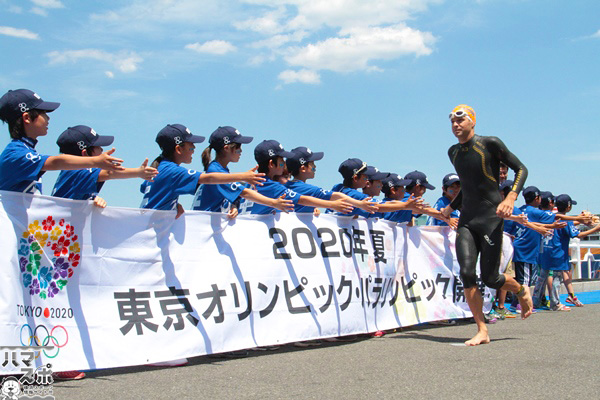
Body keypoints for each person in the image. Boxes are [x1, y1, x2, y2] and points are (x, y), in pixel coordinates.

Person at [441, 104, 534, 346]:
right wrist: (451, 207)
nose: (456, 125)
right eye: (452, 121)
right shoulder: (453, 152)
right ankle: (481, 329)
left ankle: (521, 290)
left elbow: (521, 169)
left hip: (491, 217)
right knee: (467, 272)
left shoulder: (490, 144)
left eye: (461, 120)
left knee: (491, 278)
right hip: (467, 220)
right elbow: (469, 186)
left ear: (472, 122)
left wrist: (511, 197)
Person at [0, 89, 124, 195]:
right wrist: (95, 161)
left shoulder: (24, 150)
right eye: (42, 112)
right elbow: (55, 161)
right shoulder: (15, 153)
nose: (48, 118)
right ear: (27, 118)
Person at [140, 124, 267, 220]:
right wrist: (244, 177)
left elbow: (152, 191)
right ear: (178, 149)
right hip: (153, 231)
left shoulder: (160, 168)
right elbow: (208, 179)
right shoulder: (173, 171)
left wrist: (173, 205)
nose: (194, 148)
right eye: (191, 145)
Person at [193, 126, 293, 216]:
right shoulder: (215, 170)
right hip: (202, 227)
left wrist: (234, 206)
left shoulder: (218, 169)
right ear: (227, 148)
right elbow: (244, 193)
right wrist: (273, 203)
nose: (241, 151)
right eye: (238, 148)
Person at [52, 125, 158, 207]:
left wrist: (92, 200)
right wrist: (138, 172)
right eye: (98, 146)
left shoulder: (71, 172)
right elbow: (108, 173)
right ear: (85, 153)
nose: (102, 150)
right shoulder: (75, 171)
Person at [249, 140, 353, 215]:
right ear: (271, 164)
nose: (284, 164)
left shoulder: (247, 185)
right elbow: (301, 199)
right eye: (281, 161)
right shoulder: (273, 186)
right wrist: (332, 205)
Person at [283, 147, 378, 214]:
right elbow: (336, 196)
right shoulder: (306, 189)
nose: (315, 167)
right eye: (312, 164)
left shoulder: (285, 186)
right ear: (303, 168)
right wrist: (360, 204)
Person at [553, 194, 600, 307]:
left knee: (565, 272)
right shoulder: (564, 219)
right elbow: (578, 234)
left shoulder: (554, 217)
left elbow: (569, 224)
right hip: (558, 251)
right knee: (554, 276)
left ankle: (571, 295)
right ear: (568, 206)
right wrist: (595, 229)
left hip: (555, 250)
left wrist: (580, 220)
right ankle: (555, 302)